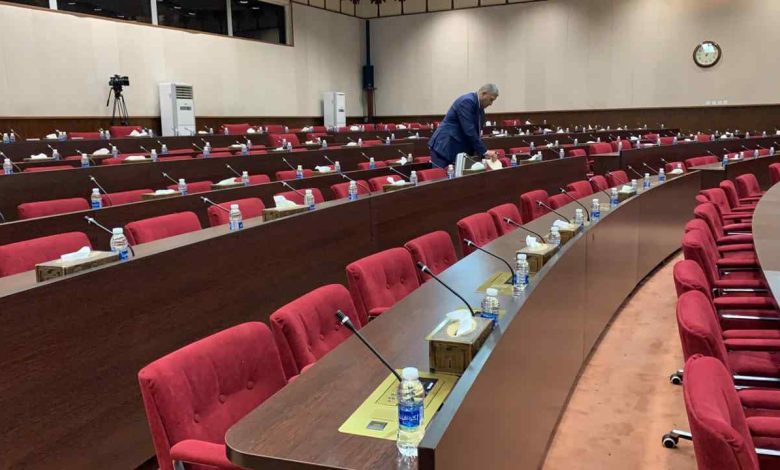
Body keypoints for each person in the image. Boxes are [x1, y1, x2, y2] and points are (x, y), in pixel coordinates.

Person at [428, 84, 499, 168]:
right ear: (484, 93)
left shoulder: (480, 109)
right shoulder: (467, 102)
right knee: (441, 175)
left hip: (457, 148)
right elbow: (469, 130)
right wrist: (484, 151)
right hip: (445, 147)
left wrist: (482, 153)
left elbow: (476, 133)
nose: (491, 104)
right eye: (491, 99)